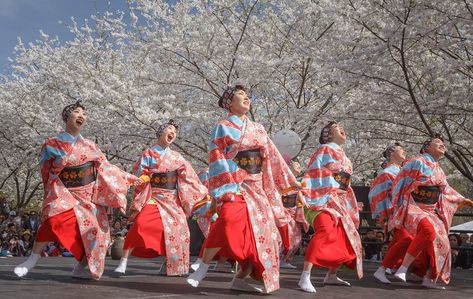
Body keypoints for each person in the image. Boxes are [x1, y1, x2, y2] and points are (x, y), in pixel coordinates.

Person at [187, 85, 301, 293]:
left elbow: (272, 157)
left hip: (257, 186)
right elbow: (217, 157)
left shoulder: (258, 128)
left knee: (261, 238)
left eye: (248, 96)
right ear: (229, 103)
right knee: (229, 220)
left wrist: (288, 180)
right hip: (235, 183)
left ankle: (240, 278)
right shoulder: (222, 126)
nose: (246, 98)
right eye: (241, 95)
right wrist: (226, 186)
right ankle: (203, 266)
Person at [13, 100, 141, 280]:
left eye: (84, 113)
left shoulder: (91, 145)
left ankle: (80, 267)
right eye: (77, 112)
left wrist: (130, 178)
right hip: (64, 191)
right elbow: (45, 171)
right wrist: (49, 190)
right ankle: (32, 259)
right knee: (53, 218)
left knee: (96, 234)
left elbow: (106, 168)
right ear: (67, 117)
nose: (81, 116)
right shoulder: (52, 144)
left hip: (88, 195)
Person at [114, 119, 208, 276]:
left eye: (175, 131)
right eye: (169, 129)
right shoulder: (148, 154)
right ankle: (123, 261)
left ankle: (169, 264)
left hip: (172, 199)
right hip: (155, 196)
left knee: (178, 231)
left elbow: (189, 178)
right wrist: (142, 178)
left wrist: (201, 191)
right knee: (141, 224)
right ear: (160, 133)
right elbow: (140, 173)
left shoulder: (178, 157)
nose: (173, 132)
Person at [391, 135, 473, 289]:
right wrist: (397, 205)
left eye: (443, 143)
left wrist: (462, 199)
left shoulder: (439, 170)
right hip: (414, 206)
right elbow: (400, 181)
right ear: (427, 147)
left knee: (442, 243)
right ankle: (403, 268)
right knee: (428, 230)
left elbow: (446, 190)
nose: (442, 144)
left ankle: (429, 278)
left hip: (430, 209)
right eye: (438, 143)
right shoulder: (416, 162)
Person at [298, 121, 363, 293]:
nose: (342, 128)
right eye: (336, 127)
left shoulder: (345, 157)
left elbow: (345, 184)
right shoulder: (325, 149)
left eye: (342, 127)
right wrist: (315, 195)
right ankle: (305, 275)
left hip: (339, 201)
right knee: (325, 230)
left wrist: (352, 203)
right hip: (322, 199)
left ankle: (331, 274)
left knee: (345, 236)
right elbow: (313, 172)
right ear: (328, 134)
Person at [368, 143, 411, 283]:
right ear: (391, 154)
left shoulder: (401, 171)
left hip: (405, 211)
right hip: (394, 212)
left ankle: (389, 267)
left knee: (399, 240)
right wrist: (385, 213)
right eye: (401, 150)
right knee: (406, 239)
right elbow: (375, 194)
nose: (404, 152)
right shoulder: (386, 173)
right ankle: (383, 268)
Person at [278, 158, 308, 269]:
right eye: (297, 165)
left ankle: (286, 259)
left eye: (300, 166)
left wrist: (302, 202)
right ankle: (279, 258)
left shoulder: (298, 182)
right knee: (285, 235)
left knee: (296, 237)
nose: (299, 167)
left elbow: (299, 195)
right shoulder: (282, 178)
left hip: (293, 211)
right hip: (282, 211)